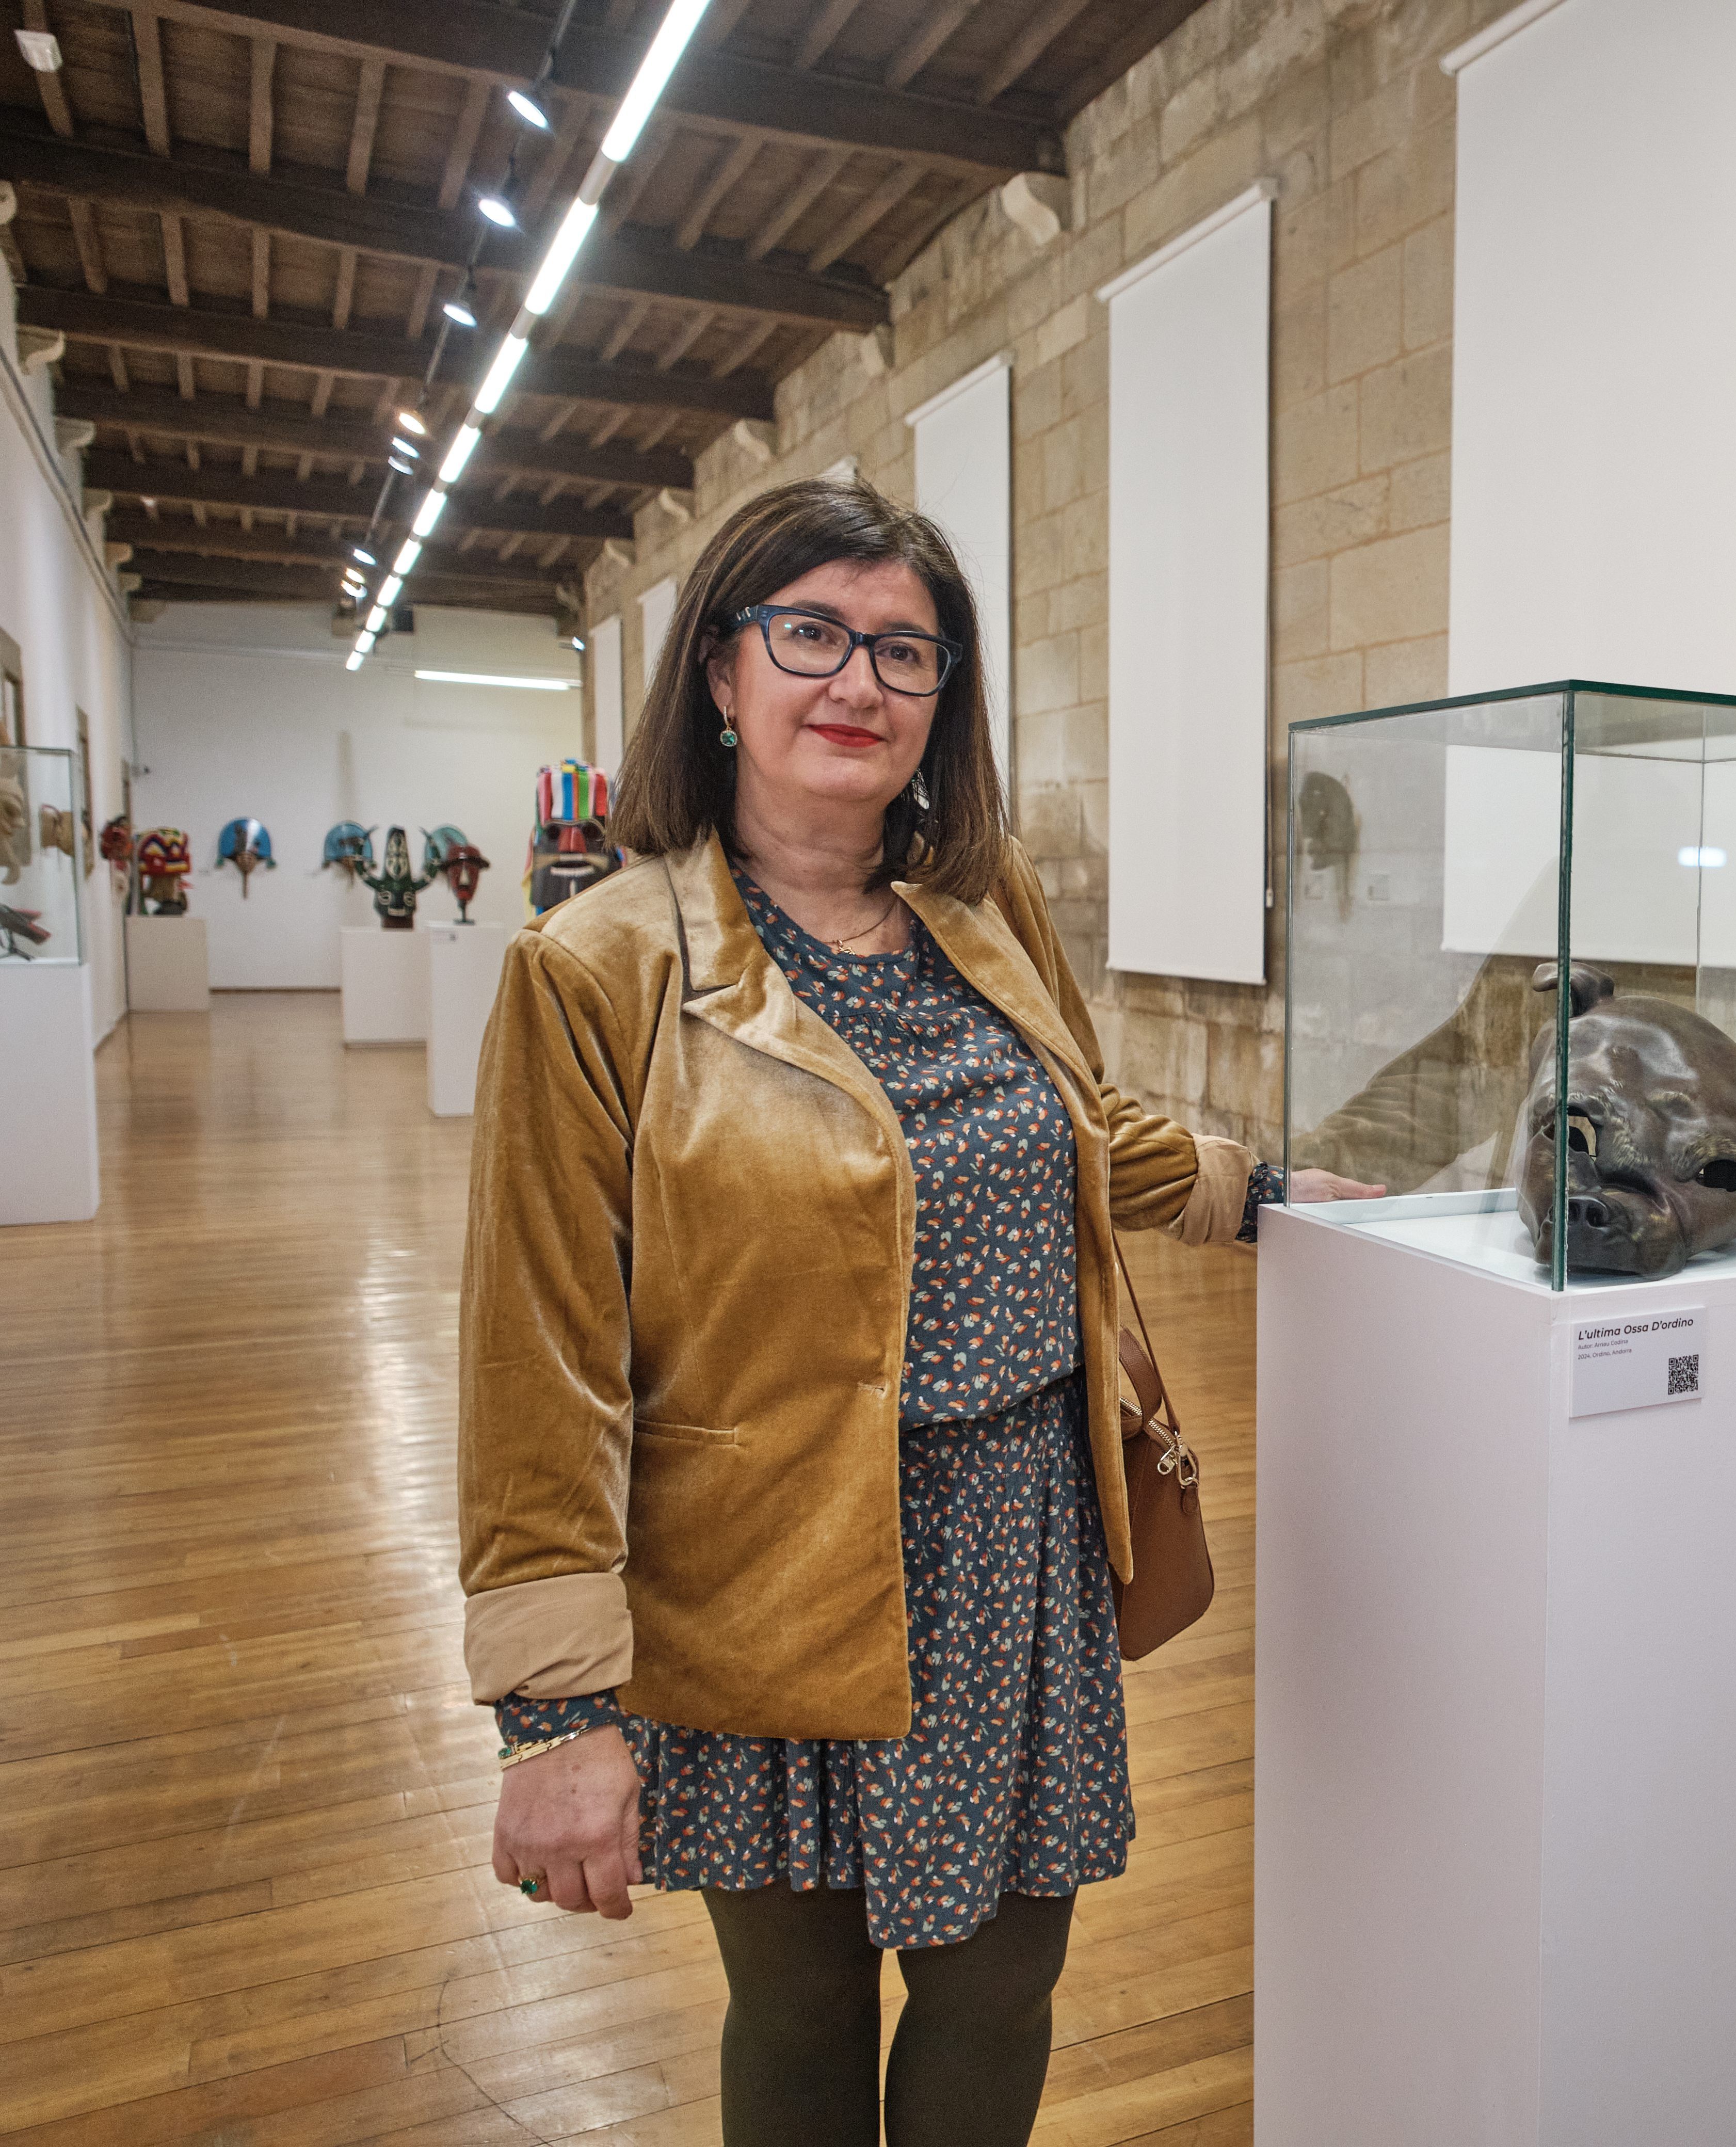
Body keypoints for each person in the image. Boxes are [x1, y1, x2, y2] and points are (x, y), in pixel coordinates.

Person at [459, 478, 1344, 2145]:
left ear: (945, 701)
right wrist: (557, 1714)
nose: (856, 682)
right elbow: (539, 1356)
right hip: (765, 1560)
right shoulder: (597, 969)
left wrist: (1258, 1188)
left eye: (905, 651)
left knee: (1003, 1988)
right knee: (798, 2006)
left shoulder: (982, 903)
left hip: (1019, 1550)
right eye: (810, 635)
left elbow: (1074, 1125)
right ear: (721, 677)